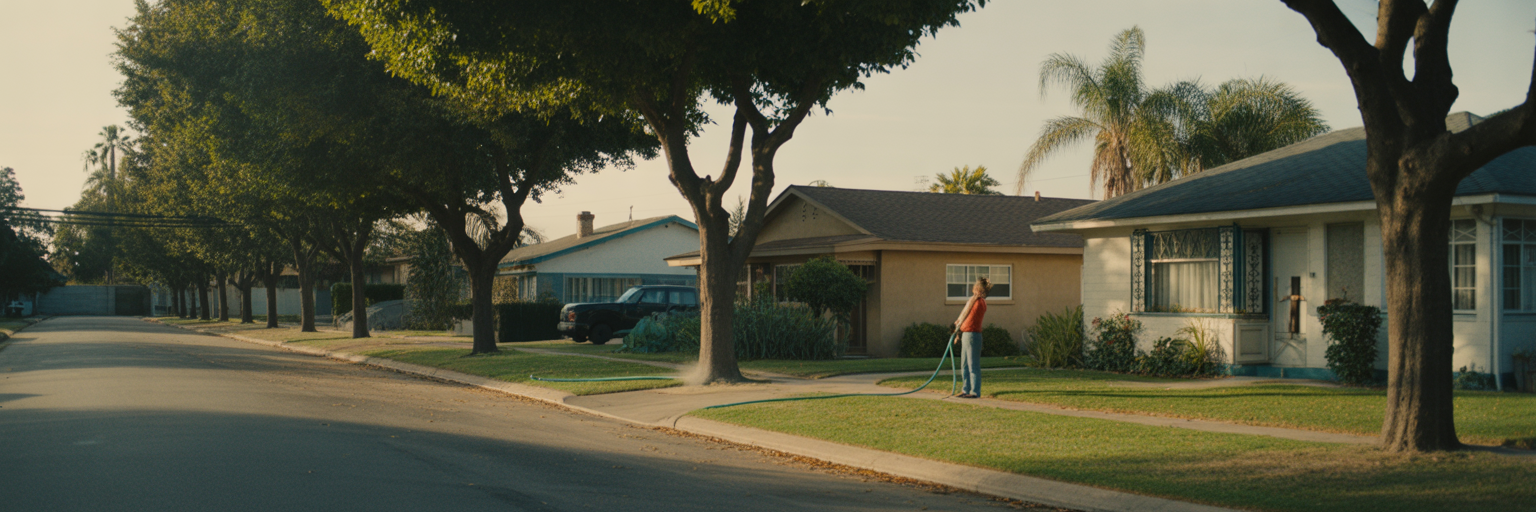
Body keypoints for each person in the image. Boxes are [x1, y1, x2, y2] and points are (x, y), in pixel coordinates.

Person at [952, 277, 990, 399]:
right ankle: (965, 389)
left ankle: (974, 392)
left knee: (973, 365)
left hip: (972, 334)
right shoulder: (973, 301)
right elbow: (965, 314)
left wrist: (959, 325)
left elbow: (970, 318)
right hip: (966, 335)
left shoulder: (979, 303)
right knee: (964, 365)